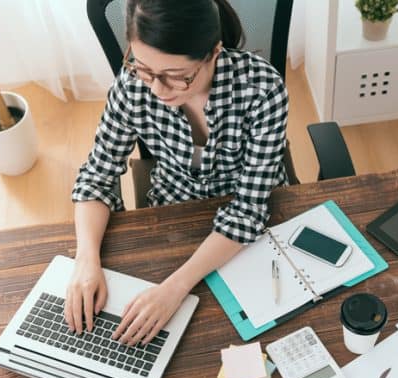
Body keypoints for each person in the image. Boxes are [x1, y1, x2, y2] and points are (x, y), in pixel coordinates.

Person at [66, 0, 289, 347]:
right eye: (142, 68)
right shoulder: (132, 87)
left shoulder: (263, 90)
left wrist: (175, 288)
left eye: (176, 76)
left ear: (213, 52)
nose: (156, 89)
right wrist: (85, 260)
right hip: (174, 219)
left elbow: (248, 211)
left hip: (246, 238)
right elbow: (96, 176)